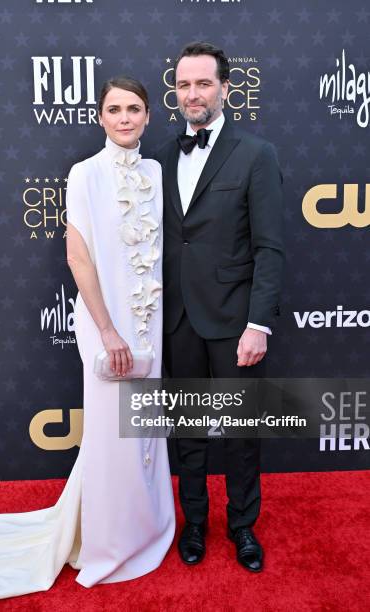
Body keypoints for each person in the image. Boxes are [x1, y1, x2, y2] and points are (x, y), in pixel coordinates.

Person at [0, 76, 175, 610]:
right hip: (106, 323)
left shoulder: (155, 172)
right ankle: (109, 540)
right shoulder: (84, 174)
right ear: (100, 117)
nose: (124, 118)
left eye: (134, 108)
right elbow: (78, 258)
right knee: (110, 431)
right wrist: (107, 328)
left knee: (145, 432)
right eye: (114, 109)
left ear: (149, 116)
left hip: (148, 319)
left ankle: (145, 528)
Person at [156, 42, 284, 572]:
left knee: (240, 434)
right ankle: (194, 525)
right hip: (178, 319)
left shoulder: (256, 153)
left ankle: (242, 527)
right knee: (187, 432)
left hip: (235, 321)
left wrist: (258, 324)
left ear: (225, 89)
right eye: (184, 85)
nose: (193, 94)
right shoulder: (160, 157)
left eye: (203, 84)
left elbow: (269, 247)